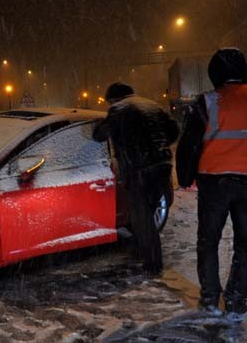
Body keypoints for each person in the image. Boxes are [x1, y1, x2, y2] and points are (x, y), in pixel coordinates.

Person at [176, 48, 247, 318]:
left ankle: (209, 299)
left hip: (214, 182)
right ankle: (238, 299)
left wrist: (185, 177)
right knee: (245, 243)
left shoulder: (206, 102)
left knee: (208, 241)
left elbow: (188, 145)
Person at [93, 82, 179, 274]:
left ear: (115, 99)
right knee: (150, 210)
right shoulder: (153, 105)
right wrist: (158, 147)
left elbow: (99, 135)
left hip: (139, 169)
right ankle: (147, 255)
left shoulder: (119, 109)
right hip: (162, 167)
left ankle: (152, 265)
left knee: (142, 217)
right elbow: (174, 131)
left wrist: (100, 125)